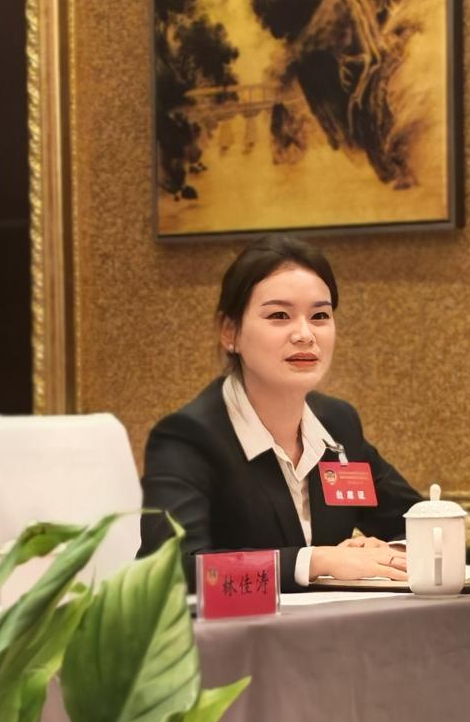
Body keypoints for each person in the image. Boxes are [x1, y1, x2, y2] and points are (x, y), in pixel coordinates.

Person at [139, 233, 422, 591]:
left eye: (320, 316)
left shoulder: (338, 425)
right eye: (279, 315)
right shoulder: (187, 438)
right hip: (229, 628)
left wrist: (388, 551)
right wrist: (315, 562)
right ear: (230, 332)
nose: (305, 334)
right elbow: (173, 569)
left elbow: (420, 524)